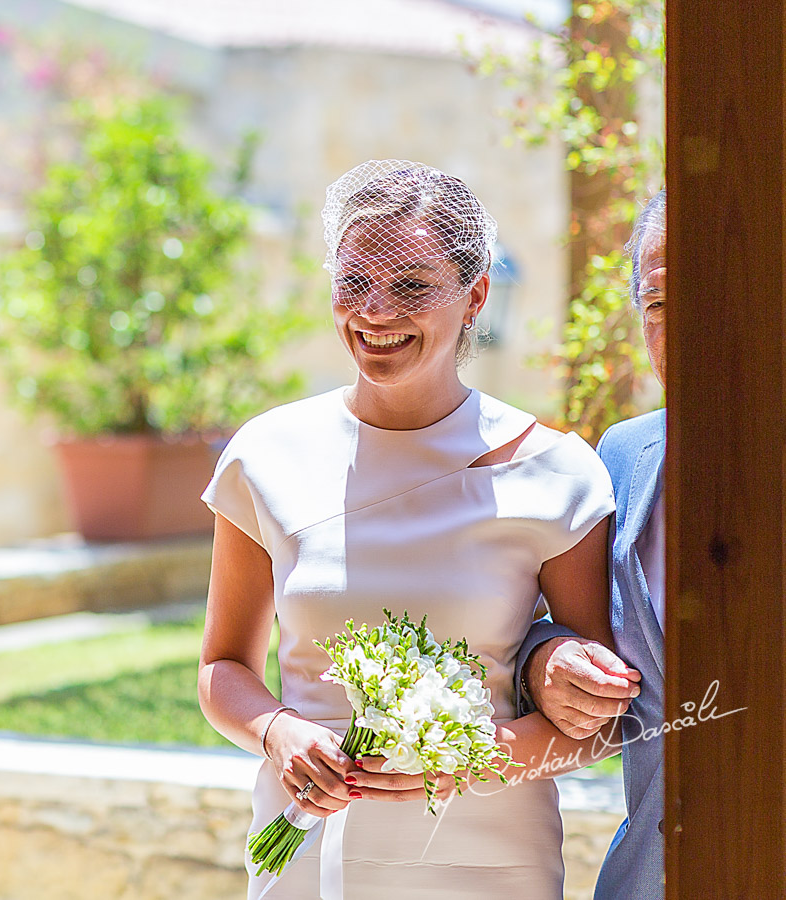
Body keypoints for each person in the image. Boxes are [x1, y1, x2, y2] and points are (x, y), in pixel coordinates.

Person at [197, 160, 624, 899]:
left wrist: (467, 755)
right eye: (354, 281)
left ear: (476, 296)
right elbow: (222, 670)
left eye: (412, 286)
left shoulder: (556, 472)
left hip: (492, 863)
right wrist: (279, 733)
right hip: (309, 855)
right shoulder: (267, 455)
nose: (375, 311)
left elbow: (601, 720)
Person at [515, 190, 667, 900]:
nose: (681, 328)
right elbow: (588, 635)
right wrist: (545, 658)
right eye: (659, 304)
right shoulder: (625, 456)